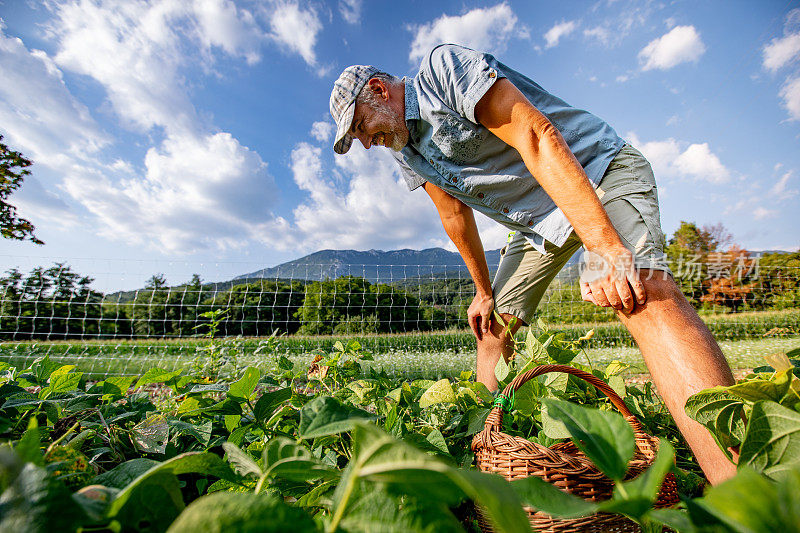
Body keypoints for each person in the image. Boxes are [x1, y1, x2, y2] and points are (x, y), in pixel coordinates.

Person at [329, 43, 737, 484]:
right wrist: (483, 293)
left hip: (594, 175)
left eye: (361, 128)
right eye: (359, 140)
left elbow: (535, 135)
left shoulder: (441, 71)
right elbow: (452, 213)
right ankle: (484, 468)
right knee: (491, 332)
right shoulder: (404, 150)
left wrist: (605, 248)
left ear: (378, 90)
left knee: (641, 292)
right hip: (536, 224)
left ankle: (742, 491)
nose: (368, 144)